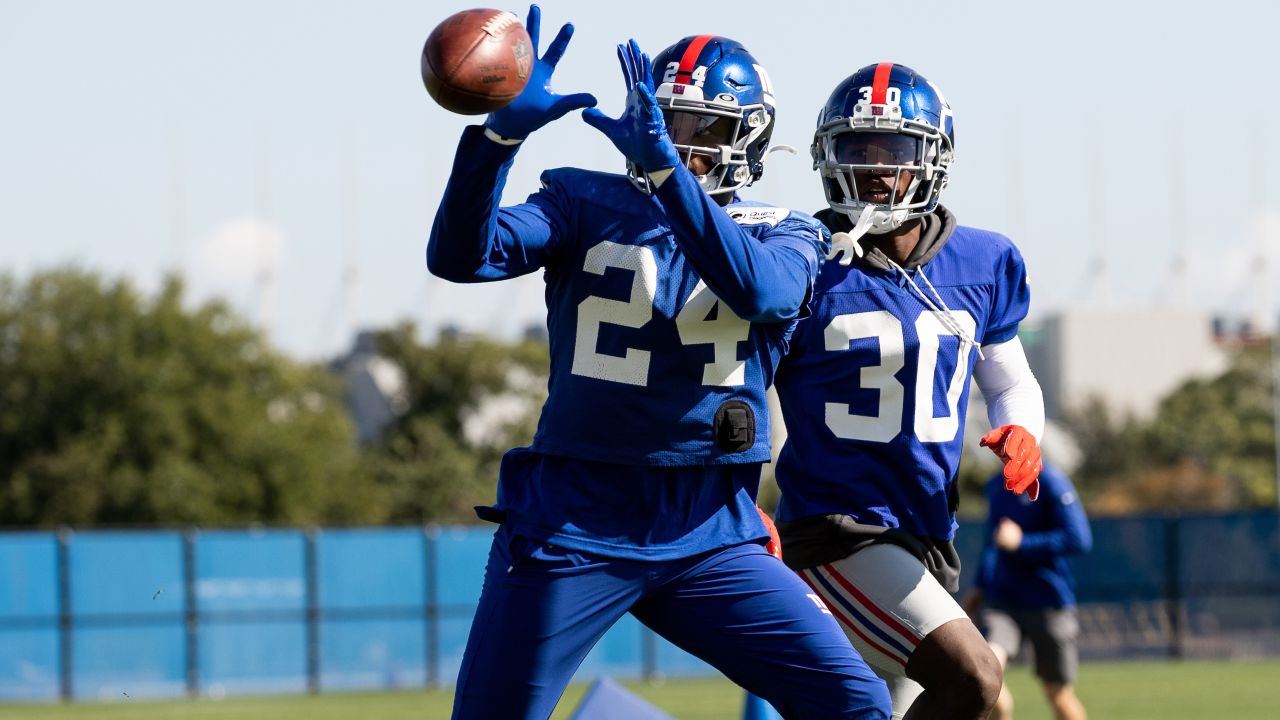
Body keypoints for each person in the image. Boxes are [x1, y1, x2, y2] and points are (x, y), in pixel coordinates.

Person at [426, 6, 890, 719]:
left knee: (855, 702)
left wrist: (669, 180)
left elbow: (762, 290)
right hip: (573, 523)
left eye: (704, 128)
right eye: (667, 122)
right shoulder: (581, 200)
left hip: (707, 531)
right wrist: (498, 139)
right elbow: (461, 256)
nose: (680, 143)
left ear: (750, 137)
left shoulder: (787, 229)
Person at [770, 63, 1046, 720]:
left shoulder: (985, 262)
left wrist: (1023, 430)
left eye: (890, 148)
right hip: (836, 532)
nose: (871, 167)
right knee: (976, 680)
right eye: (855, 149)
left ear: (933, 157)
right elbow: (739, 388)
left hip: (927, 529)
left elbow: (1009, 380)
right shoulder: (798, 260)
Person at [967, 463, 1092, 720]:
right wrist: (978, 588)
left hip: (1049, 600)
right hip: (1003, 602)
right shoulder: (996, 485)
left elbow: (1079, 538)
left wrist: (1022, 542)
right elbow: (992, 544)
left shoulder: (1051, 482)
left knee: (1057, 693)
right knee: (987, 675)